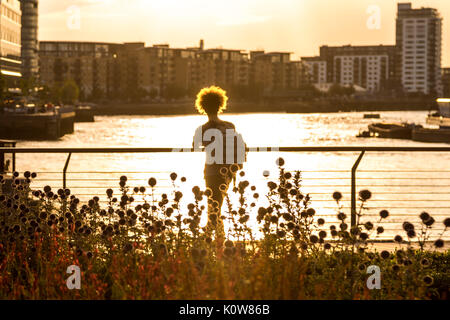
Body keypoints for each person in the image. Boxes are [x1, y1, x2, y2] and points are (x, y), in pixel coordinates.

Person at [192, 86, 247, 236]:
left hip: (211, 172)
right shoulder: (230, 126)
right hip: (228, 172)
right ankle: (216, 238)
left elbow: (195, 147)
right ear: (220, 105)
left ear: (202, 106)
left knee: (213, 205)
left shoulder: (203, 129)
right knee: (218, 204)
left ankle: (213, 239)